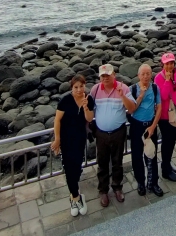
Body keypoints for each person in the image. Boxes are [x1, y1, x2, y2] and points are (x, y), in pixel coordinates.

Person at [91, 64, 136, 207]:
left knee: (117, 162)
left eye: (108, 75)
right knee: (102, 162)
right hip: (101, 133)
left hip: (118, 132)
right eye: (103, 76)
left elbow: (132, 108)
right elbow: (89, 110)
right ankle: (103, 190)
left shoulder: (124, 88)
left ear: (114, 75)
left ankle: (117, 187)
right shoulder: (95, 90)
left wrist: (122, 96)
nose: (105, 78)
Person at [52, 75, 94, 217]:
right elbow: (57, 120)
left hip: (80, 139)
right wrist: (57, 139)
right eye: (75, 87)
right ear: (71, 88)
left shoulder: (88, 99)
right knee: (69, 169)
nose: (78, 90)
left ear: (84, 86)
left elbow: (89, 118)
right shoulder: (65, 100)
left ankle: (75, 195)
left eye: (81, 86)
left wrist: (85, 107)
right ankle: (76, 198)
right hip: (66, 140)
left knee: (77, 167)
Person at [128, 64, 163, 197]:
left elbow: (159, 107)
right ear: (138, 75)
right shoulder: (133, 89)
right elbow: (132, 110)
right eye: (143, 74)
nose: (146, 76)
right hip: (137, 125)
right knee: (137, 156)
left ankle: (154, 182)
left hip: (150, 124)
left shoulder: (155, 88)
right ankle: (141, 182)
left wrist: (153, 126)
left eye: (148, 73)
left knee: (152, 154)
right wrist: (141, 95)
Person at [154, 53, 176, 183]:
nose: (170, 66)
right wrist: (166, 80)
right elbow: (163, 96)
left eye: (171, 63)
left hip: (175, 112)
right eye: (167, 63)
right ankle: (165, 170)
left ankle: (167, 163)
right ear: (162, 64)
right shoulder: (158, 78)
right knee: (167, 142)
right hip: (165, 117)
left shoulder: (175, 73)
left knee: (172, 141)